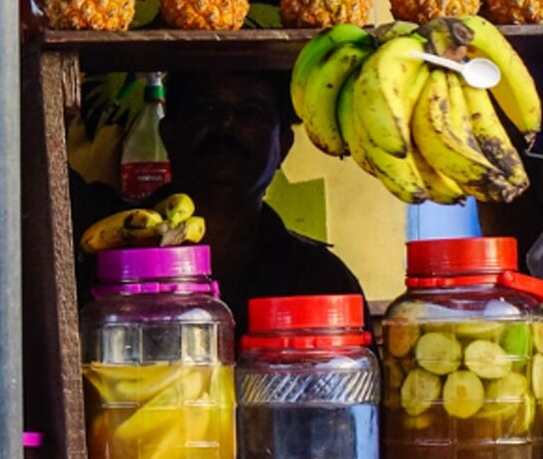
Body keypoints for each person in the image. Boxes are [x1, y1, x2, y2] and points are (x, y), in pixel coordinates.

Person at [73, 70, 364, 326]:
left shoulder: (322, 278)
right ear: (168, 135)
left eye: (251, 112)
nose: (226, 124)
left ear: (283, 145)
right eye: (205, 108)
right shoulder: (101, 255)